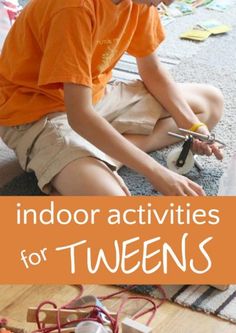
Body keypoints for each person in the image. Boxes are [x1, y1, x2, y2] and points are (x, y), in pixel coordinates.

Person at [0, 0, 224, 196]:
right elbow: (79, 116)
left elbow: (152, 71)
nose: (168, 2)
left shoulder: (141, 2)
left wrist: (193, 126)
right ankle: (91, 163)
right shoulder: (72, 8)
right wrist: (155, 171)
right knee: (112, 204)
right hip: (36, 113)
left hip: (92, 96)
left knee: (210, 103)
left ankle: (102, 157)